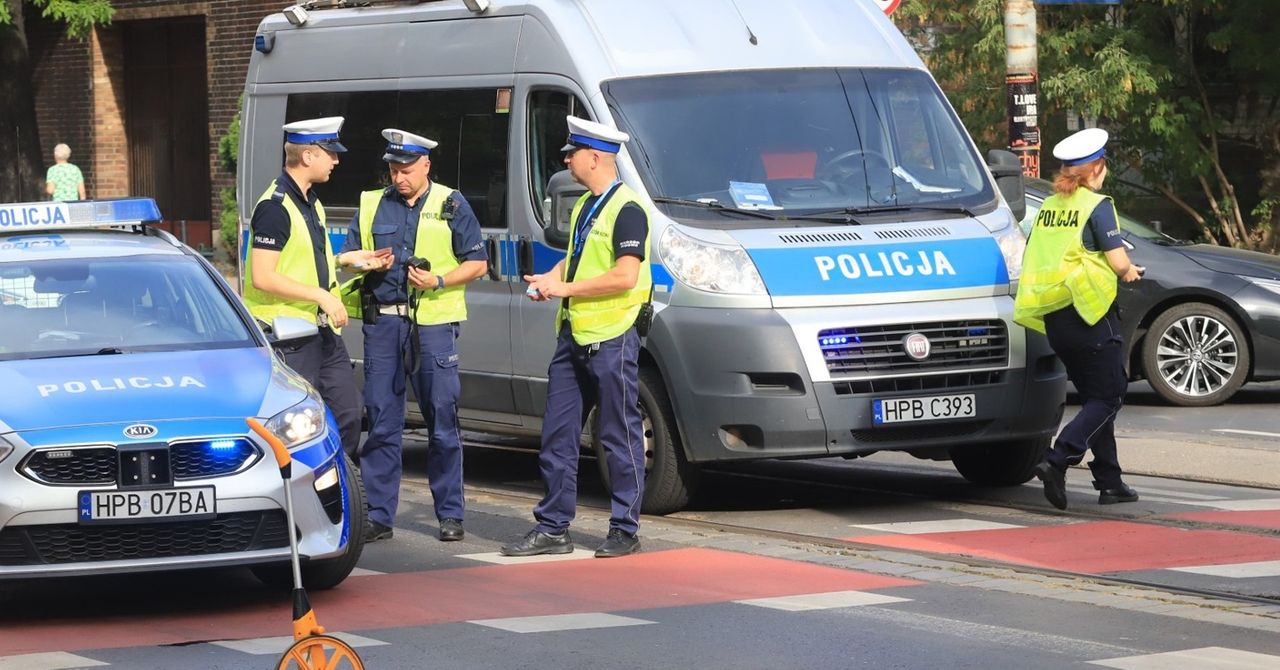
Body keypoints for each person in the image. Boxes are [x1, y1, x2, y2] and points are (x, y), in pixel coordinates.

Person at [501, 117, 652, 559]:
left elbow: (625, 276)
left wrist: (563, 289)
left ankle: (625, 529)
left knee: (617, 435)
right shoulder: (588, 204)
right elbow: (579, 259)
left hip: (611, 338)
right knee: (557, 435)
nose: (565, 159)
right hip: (574, 337)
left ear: (595, 157)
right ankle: (553, 528)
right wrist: (550, 276)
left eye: (572, 153)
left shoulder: (628, 210)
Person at [337, 128, 488, 543]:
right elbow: (348, 257)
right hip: (383, 323)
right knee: (382, 422)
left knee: (442, 421)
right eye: (392, 168)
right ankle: (379, 517)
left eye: (406, 169)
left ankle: (450, 515)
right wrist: (366, 263)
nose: (398, 176)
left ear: (426, 165)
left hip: (433, 326)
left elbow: (478, 263)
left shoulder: (451, 203)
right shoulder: (371, 203)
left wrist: (438, 280)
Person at [1014, 127, 1144, 511]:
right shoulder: (1096, 205)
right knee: (1110, 395)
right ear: (1098, 168)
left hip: (1055, 318)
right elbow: (1118, 261)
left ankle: (1110, 481)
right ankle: (1058, 460)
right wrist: (1130, 271)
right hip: (1090, 314)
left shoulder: (1051, 206)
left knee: (1095, 398)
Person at [242, 116, 371, 460]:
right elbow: (262, 276)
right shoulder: (275, 207)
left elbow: (306, 260)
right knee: (294, 426)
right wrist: (321, 296)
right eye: (331, 153)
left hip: (320, 331)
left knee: (348, 413)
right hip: (288, 339)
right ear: (309, 156)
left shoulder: (310, 202)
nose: (336, 161)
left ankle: (334, 489)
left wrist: (350, 260)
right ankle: (301, 495)